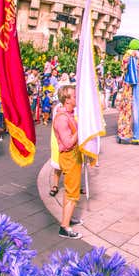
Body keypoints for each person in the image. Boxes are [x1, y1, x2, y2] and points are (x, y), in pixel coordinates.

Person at [53, 85, 82, 239]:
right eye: (74, 96)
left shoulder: (68, 115)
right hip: (69, 156)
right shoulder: (62, 119)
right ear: (67, 100)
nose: (76, 98)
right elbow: (68, 142)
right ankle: (64, 227)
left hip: (73, 156)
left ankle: (67, 218)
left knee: (69, 190)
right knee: (72, 193)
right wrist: (81, 128)